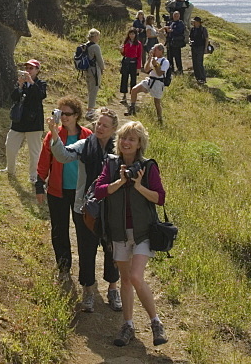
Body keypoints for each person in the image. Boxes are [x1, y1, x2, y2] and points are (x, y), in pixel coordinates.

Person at [93, 120, 167, 347]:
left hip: (143, 232)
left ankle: (156, 322)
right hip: (118, 232)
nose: (126, 143)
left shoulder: (149, 167)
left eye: (131, 139)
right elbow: (98, 190)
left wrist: (137, 185)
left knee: (135, 276)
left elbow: (160, 197)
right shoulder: (112, 164)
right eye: (124, 138)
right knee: (125, 279)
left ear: (139, 144)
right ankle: (128, 325)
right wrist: (119, 181)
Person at [46, 107, 122, 313]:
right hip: (86, 207)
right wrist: (54, 133)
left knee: (112, 249)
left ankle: (113, 289)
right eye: (98, 123)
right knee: (86, 250)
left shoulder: (120, 149)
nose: (100, 127)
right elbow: (63, 156)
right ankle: (88, 290)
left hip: (113, 209)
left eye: (105, 125)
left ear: (114, 128)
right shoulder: (85, 144)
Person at [35, 97, 92, 277]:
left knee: (84, 231)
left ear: (76, 115)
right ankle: (64, 268)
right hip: (57, 190)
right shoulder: (53, 135)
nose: (64, 117)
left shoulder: (88, 136)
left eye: (67, 114)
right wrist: (39, 183)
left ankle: (86, 270)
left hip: (81, 192)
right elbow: (44, 160)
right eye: (61, 113)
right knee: (59, 230)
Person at [2, 59, 47, 183]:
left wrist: (31, 82)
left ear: (37, 71)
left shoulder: (41, 83)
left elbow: (40, 95)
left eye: (31, 68)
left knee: (34, 152)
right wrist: (20, 85)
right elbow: (13, 97)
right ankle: (10, 169)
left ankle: (33, 176)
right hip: (19, 121)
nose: (28, 70)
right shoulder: (21, 82)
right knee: (10, 146)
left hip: (34, 123)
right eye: (26, 68)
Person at [126, 44, 170, 125]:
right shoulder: (154, 59)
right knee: (134, 90)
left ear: (161, 51)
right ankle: (132, 109)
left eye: (155, 50)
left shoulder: (165, 61)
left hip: (158, 82)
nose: (154, 51)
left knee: (157, 102)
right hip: (150, 80)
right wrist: (149, 59)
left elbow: (160, 74)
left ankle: (160, 119)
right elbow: (146, 69)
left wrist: (155, 65)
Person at [117, 29, 143, 106]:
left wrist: (138, 67)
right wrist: (121, 50)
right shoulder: (126, 43)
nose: (131, 35)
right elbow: (124, 53)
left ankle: (132, 96)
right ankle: (124, 96)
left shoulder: (138, 44)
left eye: (133, 34)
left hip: (133, 63)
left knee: (133, 80)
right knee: (124, 78)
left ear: (135, 35)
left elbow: (139, 56)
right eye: (130, 34)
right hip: (126, 62)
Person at [83, 28, 105, 119]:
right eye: (98, 36)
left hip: (86, 70)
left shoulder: (85, 45)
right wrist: (103, 68)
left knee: (90, 89)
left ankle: (90, 108)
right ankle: (90, 110)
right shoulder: (95, 47)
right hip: (94, 71)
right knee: (94, 90)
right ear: (95, 36)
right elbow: (100, 60)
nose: (98, 38)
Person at [164, 10, 187, 75]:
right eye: (174, 16)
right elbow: (167, 30)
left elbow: (180, 31)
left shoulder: (180, 23)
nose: (175, 17)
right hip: (170, 42)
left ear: (179, 16)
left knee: (177, 57)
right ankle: (171, 70)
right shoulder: (171, 23)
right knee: (169, 57)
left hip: (177, 43)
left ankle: (180, 70)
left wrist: (171, 31)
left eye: (177, 16)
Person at [189, 16, 209, 84]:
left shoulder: (203, 29)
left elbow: (206, 39)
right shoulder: (193, 29)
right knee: (195, 63)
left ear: (198, 22)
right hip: (194, 47)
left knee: (199, 63)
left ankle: (202, 78)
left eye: (194, 22)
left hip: (200, 47)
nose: (193, 23)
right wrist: (190, 41)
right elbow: (190, 37)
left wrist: (205, 48)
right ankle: (198, 78)